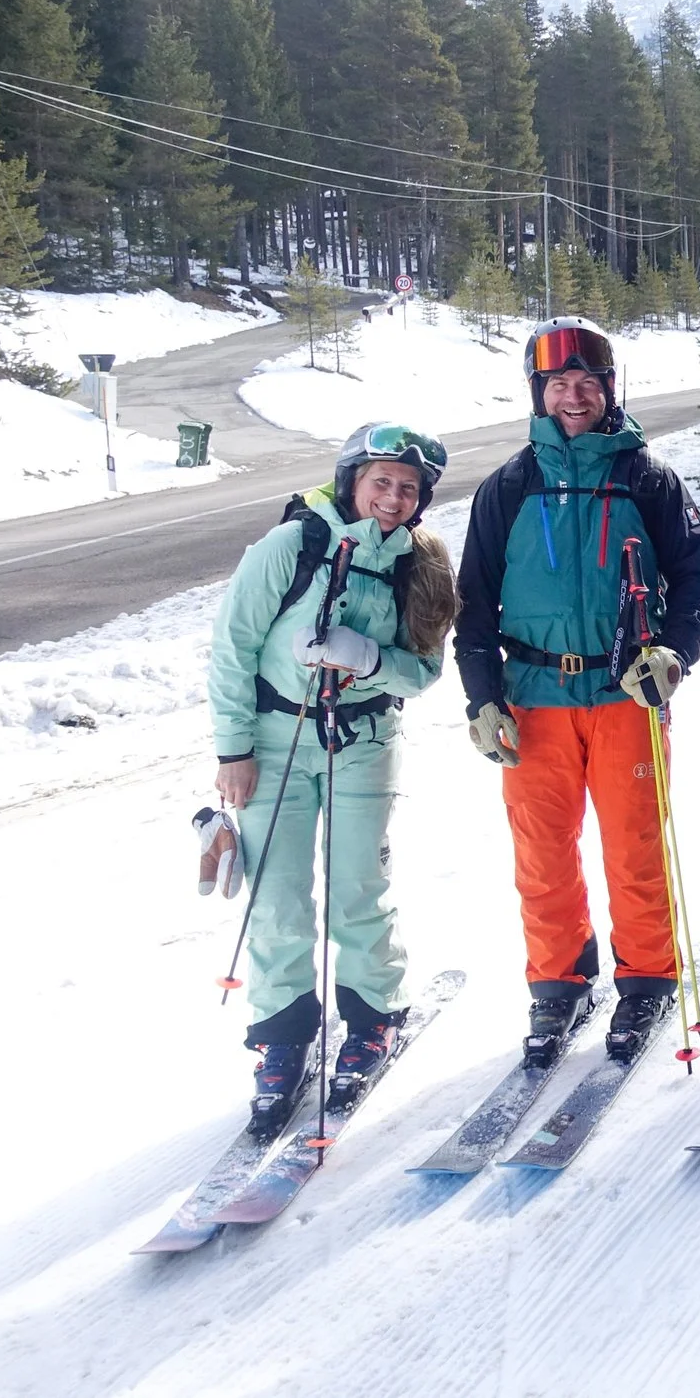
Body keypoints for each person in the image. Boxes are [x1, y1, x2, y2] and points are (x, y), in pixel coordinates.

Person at [454, 317, 700, 1065]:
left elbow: (697, 579)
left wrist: (674, 653)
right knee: (541, 851)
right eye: (558, 384)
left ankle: (647, 978)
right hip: (532, 697)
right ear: (537, 393)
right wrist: (482, 696)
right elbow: (472, 603)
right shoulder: (509, 486)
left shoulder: (648, 478)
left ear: (609, 388)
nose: (574, 396)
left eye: (587, 383)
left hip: (625, 694)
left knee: (634, 844)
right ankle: (558, 981)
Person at [208, 421, 457, 1132]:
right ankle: (282, 1036)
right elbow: (232, 647)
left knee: (357, 888)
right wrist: (233, 750)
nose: (393, 497)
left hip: (364, 741)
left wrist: (369, 660)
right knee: (278, 896)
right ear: (352, 479)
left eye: (408, 488)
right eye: (382, 481)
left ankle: (374, 1016)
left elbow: (425, 671)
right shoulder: (292, 545)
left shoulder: (422, 564)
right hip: (274, 741)